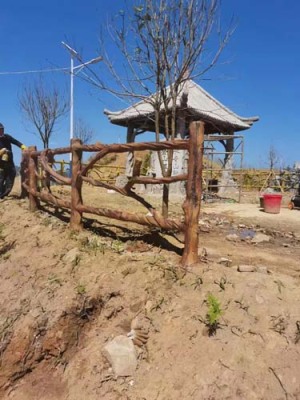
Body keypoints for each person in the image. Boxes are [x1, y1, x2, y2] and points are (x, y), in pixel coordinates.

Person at [0, 123, 27, 199]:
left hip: (9, 162)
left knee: (12, 174)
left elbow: (15, 142)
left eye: (2, 129)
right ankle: (1, 194)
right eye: (0, 130)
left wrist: (22, 146)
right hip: (0, 164)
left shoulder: (7, 137)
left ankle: (5, 192)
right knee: (1, 178)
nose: (1, 131)